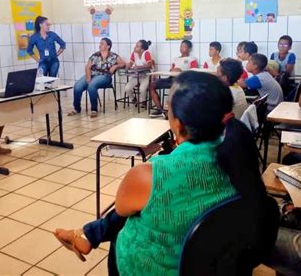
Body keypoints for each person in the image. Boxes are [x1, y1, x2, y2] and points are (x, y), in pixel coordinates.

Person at [54, 71, 267, 274]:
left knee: (127, 221)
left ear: (177, 123)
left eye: (168, 106)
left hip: (158, 268)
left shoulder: (149, 174)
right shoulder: (241, 159)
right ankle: (87, 236)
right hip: (217, 265)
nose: (166, 108)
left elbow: (121, 209)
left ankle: (87, 236)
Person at [68, 38, 124, 118]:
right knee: (77, 86)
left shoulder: (114, 56)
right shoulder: (95, 55)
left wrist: (115, 66)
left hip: (105, 76)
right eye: (100, 43)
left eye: (102, 44)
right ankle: (77, 108)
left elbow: (123, 64)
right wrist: (88, 78)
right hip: (92, 75)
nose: (100, 45)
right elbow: (87, 67)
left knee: (91, 86)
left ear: (108, 46)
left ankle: (94, 110)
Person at [149, 39, 198, 118]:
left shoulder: (192, 59)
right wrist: (172, 70)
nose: (181, 48)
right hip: (171, 78)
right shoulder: (176, 59)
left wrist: (181, 71)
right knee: (152, 85)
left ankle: (171, 111)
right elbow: (171, 70)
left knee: (174, 88)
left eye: (184, 46)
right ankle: (161, 110)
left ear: (189, 49)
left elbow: (193, 72)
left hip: (182, 80)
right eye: (181, 46)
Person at [124, 39, 154, 107]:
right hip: (137, 75)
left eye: (137, 46)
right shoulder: (134, 54)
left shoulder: (146, 53)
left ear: (142, 49)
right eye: (135, 45)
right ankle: (133, 99)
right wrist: (128, 65)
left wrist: (139, 67)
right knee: (127, 88)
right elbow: (131, 63)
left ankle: (143, 101)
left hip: (146, 75)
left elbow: (150, 65)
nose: (135, 47)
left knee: (142, 88)